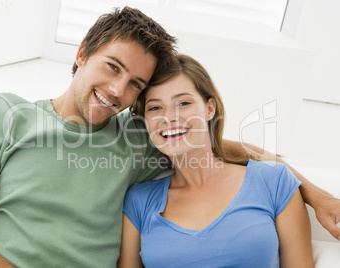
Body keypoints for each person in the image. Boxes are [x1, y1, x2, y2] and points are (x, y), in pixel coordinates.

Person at [0, 5, 337, 268]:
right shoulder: (7, 118)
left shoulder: (138, 138)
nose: (116, 89)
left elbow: (227, 151)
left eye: (135, 84)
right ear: (81, 54)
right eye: (112, 67)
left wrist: (317, 196)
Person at [118, 54, 314, 268]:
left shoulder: (273, 181)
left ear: (210, 108)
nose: (169, 117)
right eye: (155, 108)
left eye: (183, 103)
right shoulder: (139, 201)